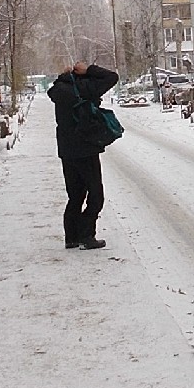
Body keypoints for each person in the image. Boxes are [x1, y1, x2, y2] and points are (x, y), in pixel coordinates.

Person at [47, 60, 119, 250]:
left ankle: (71, 237)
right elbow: (112, 77)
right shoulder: (85, 87)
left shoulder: (58, 90)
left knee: (75, 195)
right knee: (96, 194)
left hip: (66, 150)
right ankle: (87, 235)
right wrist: (90, 70)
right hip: (86, 148)